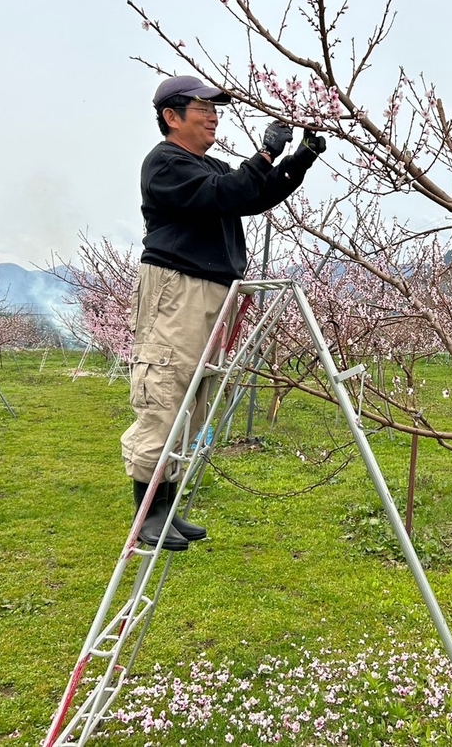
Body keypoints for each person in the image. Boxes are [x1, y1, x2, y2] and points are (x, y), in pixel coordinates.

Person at [122, 74, 325, 550]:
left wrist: (301, 158)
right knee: (167, 387)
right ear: (172, 117)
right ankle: (147, 514)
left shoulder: (205, 164)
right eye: (202, 108)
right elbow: (226, 193)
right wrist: (265, 154)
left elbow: (251, 195)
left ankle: (166, 508)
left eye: (215, 108)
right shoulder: (165, 163)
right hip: (179, 288)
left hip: (215, 290)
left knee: (194, 396)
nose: (213, 115)